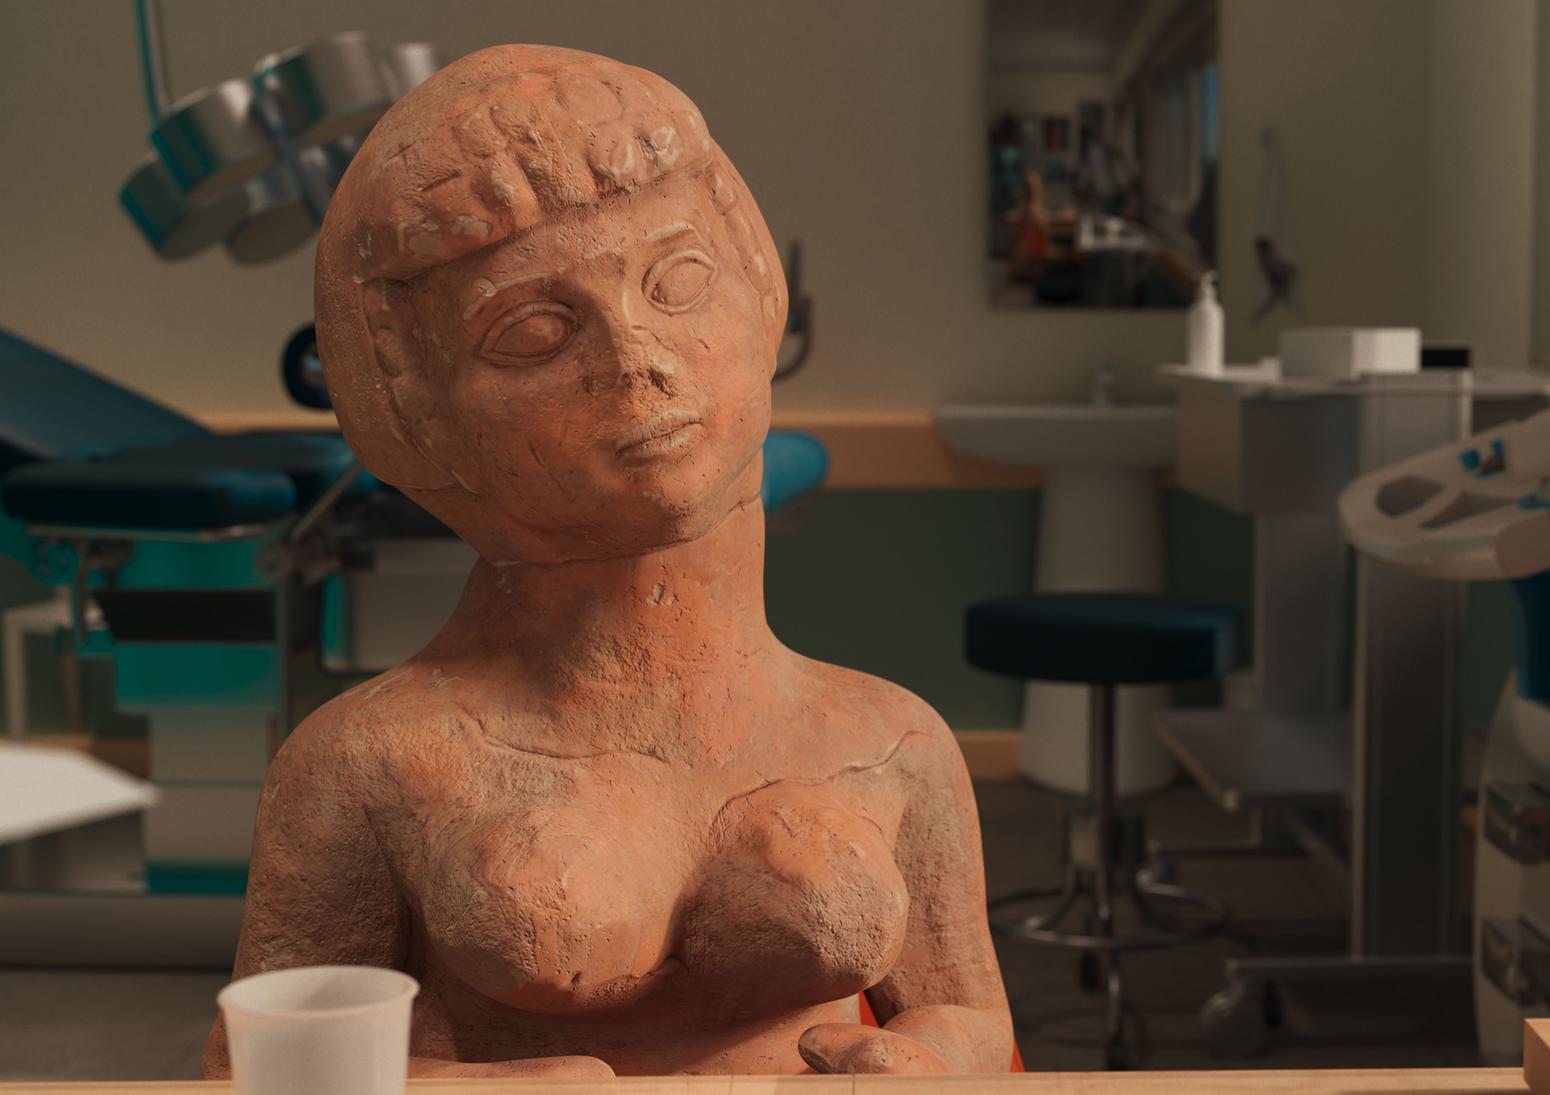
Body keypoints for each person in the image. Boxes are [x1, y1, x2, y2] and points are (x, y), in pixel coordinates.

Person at [202, 45, 1012, 1078]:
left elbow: (972, 1021)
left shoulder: (892, 739)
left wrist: (930, 1060)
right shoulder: (370, 764)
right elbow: (253, 1069)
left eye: (677, 282)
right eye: (533, 333)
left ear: (757, 285)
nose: (635, 358)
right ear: (414, 407)